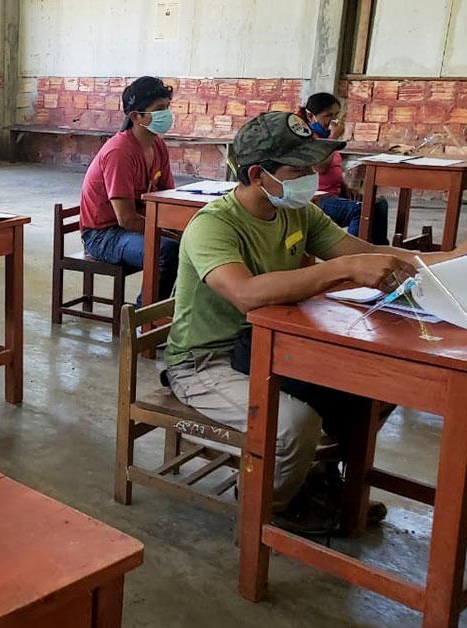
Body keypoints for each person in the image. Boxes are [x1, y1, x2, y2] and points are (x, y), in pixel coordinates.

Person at [163, 111, 467, 535]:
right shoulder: (214, 225)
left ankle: (317, 476)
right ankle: (270, 503)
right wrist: (340, 271)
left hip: (271, 346)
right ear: (257, 174)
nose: (311, 176)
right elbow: (246, 293)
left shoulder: (298, 213)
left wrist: (451, 258)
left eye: (313, 166)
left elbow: (367, 252)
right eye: (299, 169)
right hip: (206, 361)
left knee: (373, 388)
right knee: (292, 426)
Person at [79, 76, 179, 302]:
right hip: (104, 235)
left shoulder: (158, 146)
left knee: (193, 243)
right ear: (136, 116)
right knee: (167, 251)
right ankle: (143, 319)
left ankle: (170, 314)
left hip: (131, 228)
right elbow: (126, 219)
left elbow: (167, 198)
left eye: (168, 107)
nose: (167, 115)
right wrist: (167, 232)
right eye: (159, 109)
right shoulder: (120, 152)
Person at [298, 92, 390, 244]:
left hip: (334, 194)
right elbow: (320, 167)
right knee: (358, 210)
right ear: (310, 116)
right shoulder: (308, 138)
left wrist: (345, 187)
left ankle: (379, 250)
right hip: (317, 197)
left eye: (336, 115)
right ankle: (352, 255)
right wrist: (333, 138)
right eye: (327, 116)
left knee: (378, 203)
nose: (333, 121)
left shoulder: (326, 138)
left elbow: (333, 170)